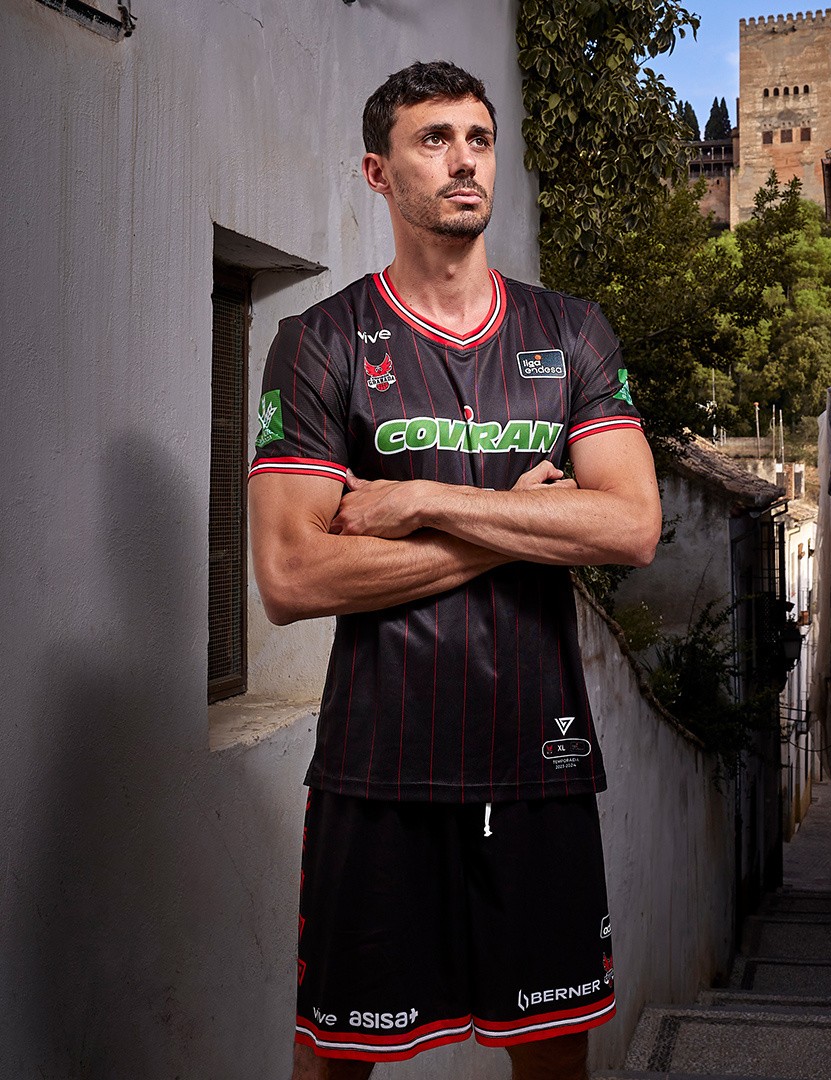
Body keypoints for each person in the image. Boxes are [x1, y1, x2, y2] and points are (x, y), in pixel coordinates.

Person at [249, 60, 661, 1080]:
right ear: (378, 172)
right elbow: (293, 577)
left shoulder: (571, 332)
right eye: (434, 140)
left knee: (554, 1065)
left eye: (479, 138)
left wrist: (424, 501)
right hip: (377, 767)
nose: (465, 160)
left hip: (540, 767)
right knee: (334, 1060)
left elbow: (629, 526)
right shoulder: (318, 342)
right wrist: (522, 521)